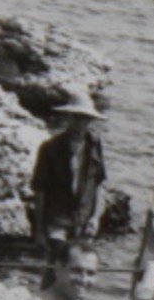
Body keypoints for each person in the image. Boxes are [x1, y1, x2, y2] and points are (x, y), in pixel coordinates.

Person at [29, 92, 106, 254]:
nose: (80, 123)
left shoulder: (94, 145)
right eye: (77, 117)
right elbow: (40, 191)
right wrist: (39, 231)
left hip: (83, 221)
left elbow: (99, 183)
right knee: (57, 265)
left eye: (85, 118)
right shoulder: (50, 148)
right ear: (68, 117)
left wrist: (95, 217)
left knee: (77, 266)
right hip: (57, 221)